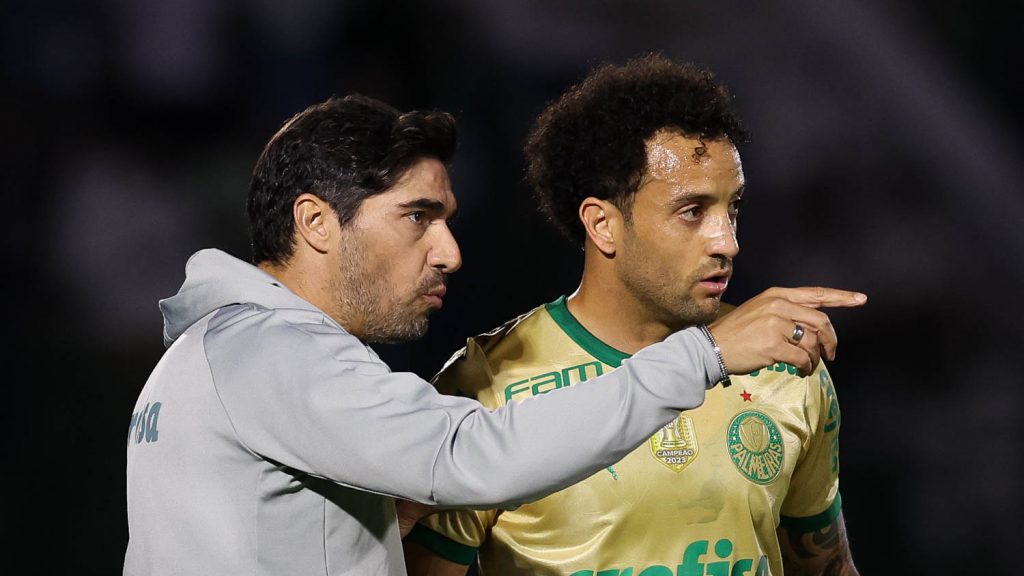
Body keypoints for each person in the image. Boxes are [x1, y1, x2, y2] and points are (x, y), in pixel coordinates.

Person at [123, 92, 865, 576]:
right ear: (317, 223)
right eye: (418, 216)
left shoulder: (202, 360)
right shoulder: (273, 356)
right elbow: (469, 452)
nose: (448, 251)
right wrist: (701, 357)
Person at [403, 54, 862, 576]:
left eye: (732, 208)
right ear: (603, 225)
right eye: (692, 212)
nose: (728, 242)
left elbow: (828, 565)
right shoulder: (483, 388)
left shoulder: (785, 364)